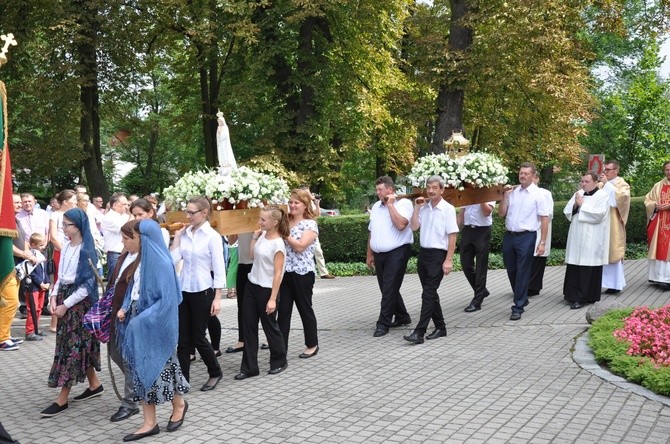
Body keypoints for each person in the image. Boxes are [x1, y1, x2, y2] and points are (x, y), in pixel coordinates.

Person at [116, 220, 189, 441]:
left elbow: (167, 300)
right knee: (142, 370)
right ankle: (150, 422)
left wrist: (140, 321)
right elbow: (134, 288)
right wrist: (125, 306)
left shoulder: (161, 263)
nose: (124, 242)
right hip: (140, 319)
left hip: (155, 323)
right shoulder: (138, 260)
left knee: (164, 366)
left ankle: (178, 404)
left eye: (129, 238)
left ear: (143, 239)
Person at [41, 208, 103, 418]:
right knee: (75, 345)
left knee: (72, 348)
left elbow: (87, 285)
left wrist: (65, 304)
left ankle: (63, 398)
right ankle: (94, 385)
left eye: (66, 224)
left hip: (79, 303)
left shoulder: (87, 249)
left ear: (77, 226)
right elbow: (60, 276)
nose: (63, 228)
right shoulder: (67, 246)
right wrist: (53, 296)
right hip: (65, 296)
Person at [170, 196, 225, 391]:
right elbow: (172, 260)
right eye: (187, 212)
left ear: (204, 213)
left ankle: (215, 371)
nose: (188, 216)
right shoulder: (185, 234)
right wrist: (176, 238)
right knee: (183, 339)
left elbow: (219, 269)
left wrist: (217, 298)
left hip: (203, 291)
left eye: (192, 212)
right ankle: (183, 379)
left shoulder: (212, 237)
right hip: (184, 290)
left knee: (199, 337)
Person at [235, 206, 289, 380]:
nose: (260, 222)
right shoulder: (263, 237)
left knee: (269, 326)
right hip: (252, 284)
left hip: (267, 289)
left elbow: (278, 273)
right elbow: (251, 255)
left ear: (275, 222)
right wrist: (254, 236)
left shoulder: (278, 244)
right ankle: (250, 367)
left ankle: (279, 360)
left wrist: (273, 299)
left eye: (263, 220)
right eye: (260, 219)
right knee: (248, 326)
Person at [403, 176, 458, 344]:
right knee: (431, 294)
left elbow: (452, 235)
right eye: (429, 187)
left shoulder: (448, 209)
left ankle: (419, 332)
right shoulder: (424, 208)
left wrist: (448, 260)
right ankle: (441, 327)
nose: (431, 190)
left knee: (427, 294)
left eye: (435, 187)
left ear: (442, 190)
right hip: (424, 255)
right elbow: (413, 227)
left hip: (438, 256)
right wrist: (417, 208)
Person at [498, 163, 550, 321]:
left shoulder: (538, 194)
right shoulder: (512, 192)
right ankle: (522, 296)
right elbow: (501, 214)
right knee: (511, 269)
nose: (523, 176)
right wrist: (505, 196)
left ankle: (518, 306)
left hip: (527, 236)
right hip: (510, 235)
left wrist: (542, 242)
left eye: (526, 173)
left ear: (533, 176)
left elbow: (544, 219)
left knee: (522, 271)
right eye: (521, 173)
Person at [366, 176, 414, 337]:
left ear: (390, 190)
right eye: (377, 189)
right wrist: (370, 254)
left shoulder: (404, 204)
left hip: (398, 252)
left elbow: (401, 225)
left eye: (380, 189)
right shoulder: (376, 206)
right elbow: (372, 231)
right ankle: (402, 316)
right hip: (379, 254)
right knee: (386, 287)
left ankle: (383, 323)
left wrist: (390, 205)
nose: (377, 192)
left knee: (389, 288)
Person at [278, 189, 320, 358]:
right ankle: (281, 348)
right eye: (291, 202)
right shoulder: (285, 221)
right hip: (285, 272)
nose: (293, 205)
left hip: (303, 273)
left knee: (304, 308)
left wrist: (284, 234)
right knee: (283, 311)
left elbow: (301, 246)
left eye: (297, 203)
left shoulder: (310, 224)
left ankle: (312, 344)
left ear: (305, 206)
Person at [107, 220, 141, 423]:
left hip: (130, 314)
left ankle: (130, 402)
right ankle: (135, 385)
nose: (123, 242)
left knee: (128, 359)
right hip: (116, 312)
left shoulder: (143, 259)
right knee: (115, 353)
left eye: (127, 238)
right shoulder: (124, 256)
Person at [563, 171, 611, 309]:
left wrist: (583, 205)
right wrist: (576, 205)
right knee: (574, 264)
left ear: (596, 182)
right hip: (577, 235)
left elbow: (599, 215)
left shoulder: (603, 196)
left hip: (592, 236)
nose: (583, 184)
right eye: (582, 181)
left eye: (587, 182)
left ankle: (584, 297)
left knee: (587, 265)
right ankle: (571, 295)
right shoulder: (578, 194)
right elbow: (567, 211)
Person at [599, 160, 631, 294]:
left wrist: (607, 185)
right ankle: (598, 283)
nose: (605, 172)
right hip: (600, 223)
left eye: (608, 170)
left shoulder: (622, 184)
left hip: (614, 224)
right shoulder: (600, 184)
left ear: (616, 171)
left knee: (613, 251)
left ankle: (615, 284)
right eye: (604, 169)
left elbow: (620, 200)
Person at [457, 201, 495, 312]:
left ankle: (477, 301)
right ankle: (481, 290)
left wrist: (480, 197)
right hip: (468, 230)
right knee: (466, 264)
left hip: (482, 230)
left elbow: (487, 212)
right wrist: (453, 232)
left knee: (480, 266)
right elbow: (462, 213)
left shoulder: (487, 191)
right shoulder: (468, 192)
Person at [224, 233, 253, 354]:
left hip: (258, 263)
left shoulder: (261, 217)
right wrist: (233, 230)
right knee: (241, 305)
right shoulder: (240, 216)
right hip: (242, 263)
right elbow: (231, 241)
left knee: (263, 304)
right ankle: (242, 340)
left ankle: (269, 338)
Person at [528, 173, 554, 297]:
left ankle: (534, 286)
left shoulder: (544, 193)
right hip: (527, 228)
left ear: (537, 179)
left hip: (540, 227)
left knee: (537, 258)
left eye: (533, 177)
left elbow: (548, 214)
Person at [644, 160, 670, 286]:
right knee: (659, 248)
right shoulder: (658, 185)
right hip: (660, 223)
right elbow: (648, 199)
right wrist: (655, 205)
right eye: (667, 169)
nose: (669, 172)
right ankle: (658, 277)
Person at [21, 233, 50, 340]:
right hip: (33, 287)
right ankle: (29, 331)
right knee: (32, 309)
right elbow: (31, 272)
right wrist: (40, 283)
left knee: (39, 309)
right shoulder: (31, 256)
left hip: (41, 287)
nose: (43, 247)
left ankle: (36, 329)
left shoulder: (42, 256)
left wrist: (47, 282)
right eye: (41, 245)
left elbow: (45, 271)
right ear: (33, 245)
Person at [101, 193, 131, 280]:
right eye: (124, 204)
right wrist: (132, 214)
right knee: (113, 282)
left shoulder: (125, 216)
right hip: (115, 254)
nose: (127, 207)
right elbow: (125, 228)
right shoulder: (108, 217)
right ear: (114, 205)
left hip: (127, 252)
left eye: (128, 204)